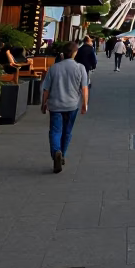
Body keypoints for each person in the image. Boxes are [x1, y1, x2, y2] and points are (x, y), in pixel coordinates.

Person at [40, 41, 88, 173]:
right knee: (67, 132)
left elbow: (46, 89)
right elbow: (84, 88)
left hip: (55, 105)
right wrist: (84, 104)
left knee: (55, 131)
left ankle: (56, 151)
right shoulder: (80, 68)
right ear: (75, 53)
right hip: (72, 105)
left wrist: (43, 104)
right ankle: (62, 154)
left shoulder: (54, 68)